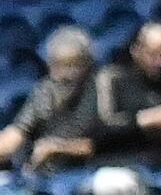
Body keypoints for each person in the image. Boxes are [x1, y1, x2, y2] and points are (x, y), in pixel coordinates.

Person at [90, 21, 161, 167]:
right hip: (118, 164)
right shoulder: (112, 80)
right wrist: (148, 119)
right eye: (153, 54)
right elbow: (99, 130)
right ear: (136, 50)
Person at [0, 26, 103, 172]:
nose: (65, 74)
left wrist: (58, 148)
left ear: (88, 64)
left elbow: (107, 145)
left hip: (93, 168)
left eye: (73, 65)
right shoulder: (46, 89)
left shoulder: (102, 88)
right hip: (49, 173)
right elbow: (18, 132)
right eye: (58, 65)